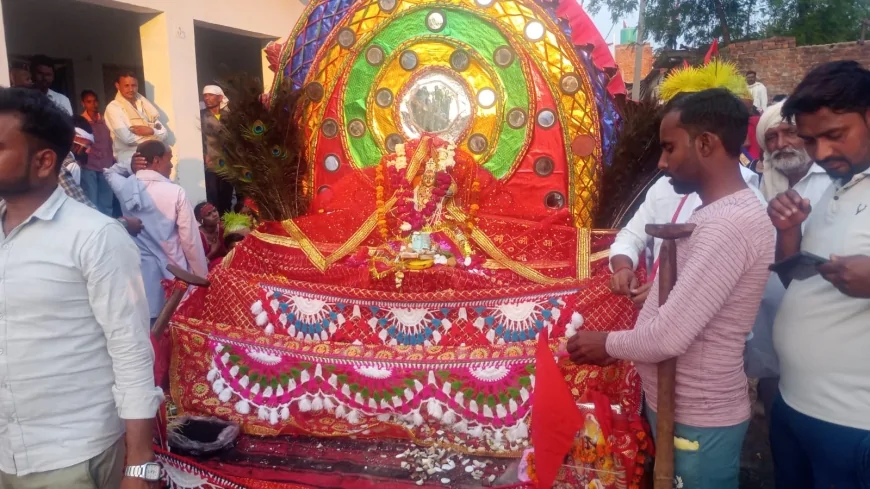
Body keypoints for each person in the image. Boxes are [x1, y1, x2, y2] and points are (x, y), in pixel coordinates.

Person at [569, 89, 775, 488]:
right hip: (680, 409)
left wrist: (607, 343)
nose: (662, 163)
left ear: (705, 144)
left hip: (699, 416)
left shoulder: (728, 225)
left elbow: (669, 337)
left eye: (669, 148)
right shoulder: (714, 213)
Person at [0, 87, 163, 488]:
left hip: (72, 458)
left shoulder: (95, 237)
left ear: (43, 161)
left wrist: (138, 466)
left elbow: (130, 351)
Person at [767, 60, 870, 489]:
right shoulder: (833, 183)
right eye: (810, 140)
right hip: (793, 405)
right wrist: (789, 232)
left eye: (835, 135)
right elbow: (798, 282)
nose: (822, 153)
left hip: (854, 423)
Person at [743, 98, 832, 418]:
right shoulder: (758, 184)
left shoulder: (834, 180)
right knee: (775, 401)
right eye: (772, 137)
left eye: (790, 133)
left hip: (822, 313)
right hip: (771, 316)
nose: (781, 144)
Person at [104, 140, 208, 323]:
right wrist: (202, 278)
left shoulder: (125, 187)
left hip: (142, 278)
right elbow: (190, 242)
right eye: (170, 158)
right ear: (157, 160)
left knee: (149, 329)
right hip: (175, 277)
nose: (172, 165)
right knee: (175, 330)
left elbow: (110, 172)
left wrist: (130, 165)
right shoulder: (176, 192)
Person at [105, 71, 167, 174]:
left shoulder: (144, 105)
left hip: (152, 163)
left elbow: (164, 133)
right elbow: (128, 139)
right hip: (130, 163)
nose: (131, 89)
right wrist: (154, 135)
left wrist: (151, 131)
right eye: (126, 85)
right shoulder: (113, 108)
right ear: (117, 86)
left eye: (134, 85)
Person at [80, 89, 116, 215]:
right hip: (89, 165)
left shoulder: (105, 120)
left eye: (95, 101)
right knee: (92, 200)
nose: (93, 104)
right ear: (83, 104)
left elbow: (111, 140)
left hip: (106, 164)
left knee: (107, 200)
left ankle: (109, 224)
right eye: (89, 102)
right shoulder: (81, 122)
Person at [201, 85, 234, 214]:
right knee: (213, 195)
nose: (207, 98)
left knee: (227, 196)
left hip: (229, 163)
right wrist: (203, 154)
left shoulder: (229, 116)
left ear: (220, 98)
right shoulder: (202, 115)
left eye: (210, 95)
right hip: (211, 162)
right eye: (205, 96)